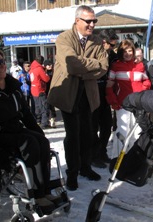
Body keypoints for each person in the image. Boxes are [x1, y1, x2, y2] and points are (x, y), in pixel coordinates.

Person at [47, 5, 109, 191]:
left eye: (94, 21)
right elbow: (71, 65)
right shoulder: (64, 38)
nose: (92, 24)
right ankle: (72, 173)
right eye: (88, 21)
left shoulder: (97, 41)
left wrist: (84, 71)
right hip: (68, 94)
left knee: (89, 134)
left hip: (88, 96)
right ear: (77, 21)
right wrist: (91, 66)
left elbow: (104, 67)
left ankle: (85, 167)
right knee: (73, 136)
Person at [0, 49, 61, 214]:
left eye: (2, 62)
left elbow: (26, 114)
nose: (2, 66)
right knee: (30, 143)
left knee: (41, 141)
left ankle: (45, 190)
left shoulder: (13, 87)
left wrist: (39, 132)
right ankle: (36, 193)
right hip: (1, 136)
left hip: (15, 129)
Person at [105, 39, 151, 159]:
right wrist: (113, 101)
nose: (127, 53)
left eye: (130, 50)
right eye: (124, 51)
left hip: (138, 104)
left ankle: (135, 158)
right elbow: (109, 85)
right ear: (121, 52)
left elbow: (147, 81)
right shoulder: (116, 66)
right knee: (123, 131)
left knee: (137, 131)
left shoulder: (140, 66)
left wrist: (142, 90)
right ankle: (118, 158)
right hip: (122, 104)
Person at [91, 29, 119, 168]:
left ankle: (102, 152)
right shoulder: (93, 53)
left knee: (107, 126)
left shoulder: (111, 55)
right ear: (104, 42)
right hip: (93, 93)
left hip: (105, 94)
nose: (113, 48)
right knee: (93, 127)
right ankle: (94, 155)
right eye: (111, 45)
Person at [30, 55, 50, 129]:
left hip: (33, 89)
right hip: (40, 89)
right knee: (44, 107)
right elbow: (46, 79)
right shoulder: (39, 69)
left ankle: (37, 121)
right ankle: (44, 123)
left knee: (36, 106)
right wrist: (47, 74)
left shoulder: (32, 67)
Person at [44, 59, 56, 128]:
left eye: (51, 64)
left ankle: (53, 120)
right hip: (46, 91)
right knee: (47, 106)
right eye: (48, 65)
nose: (50, 66)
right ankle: (48, 119)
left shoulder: (54, 71)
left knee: (52, 106)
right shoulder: (44, 72)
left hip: (52, 90)